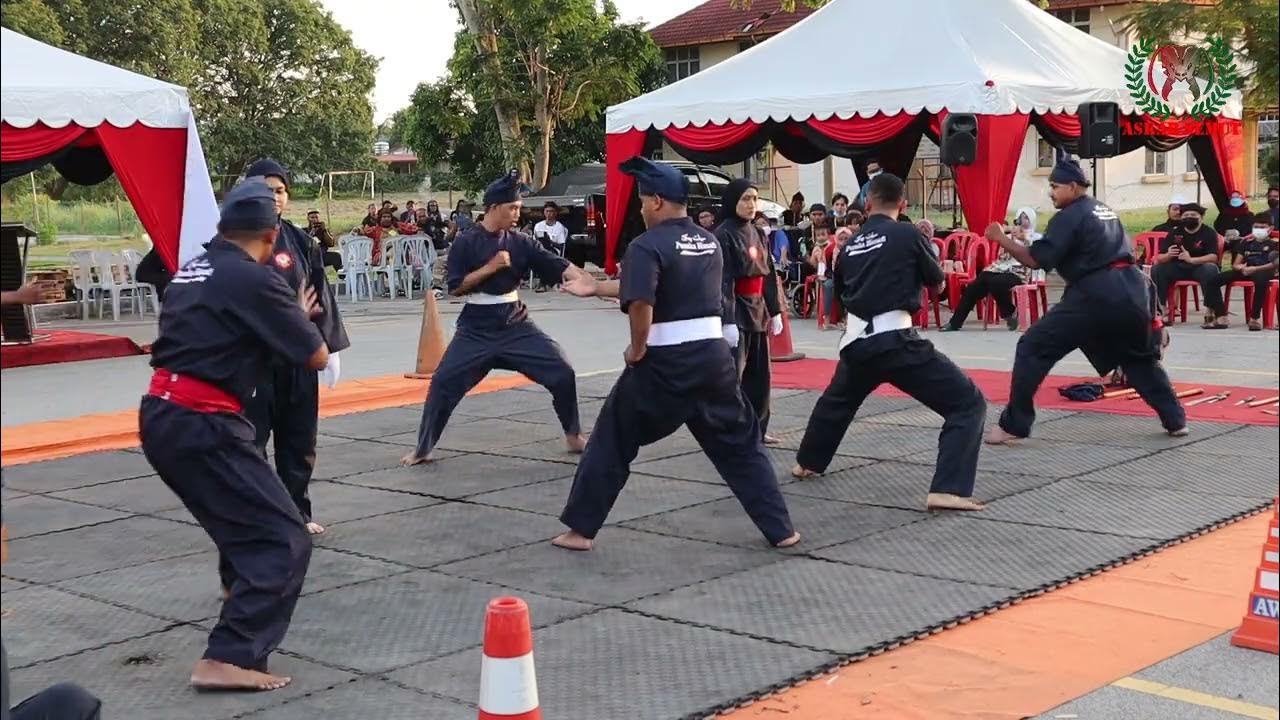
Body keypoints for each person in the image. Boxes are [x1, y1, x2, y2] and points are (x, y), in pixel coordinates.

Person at [552, 157, 800, 552]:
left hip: (665, 363)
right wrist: (598, 287)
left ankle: (580, 532)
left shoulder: (645, 245)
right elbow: (664, 286)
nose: (638, 208)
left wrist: (637, 349)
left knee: (611, 440)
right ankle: (782, 530)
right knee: (741, 445)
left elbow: (643, 302)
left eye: (640, 200)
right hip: (714, 360)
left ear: (654, 202)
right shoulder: (709, 241)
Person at [139, 180, 330, 691]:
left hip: (163, 411)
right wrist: (291, 309)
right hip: (202, 419)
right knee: (286, 538)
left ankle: (236, 601)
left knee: (240, 526)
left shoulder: (193, 269)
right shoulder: (256, 279)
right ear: (271, 237)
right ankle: (228, 655)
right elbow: (314, 355)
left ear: (223, 229)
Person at [790, 173, 986, 512]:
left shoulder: (849, 243)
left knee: (837, 403)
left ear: (867, 204)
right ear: (903, 204)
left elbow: (840, 290)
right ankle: (949, 489)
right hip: (895, 338)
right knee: (968, 403)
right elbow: (937, 285)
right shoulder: (907, 233)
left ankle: (807, 461)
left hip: (856, 341)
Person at [399, 172, 599, 466]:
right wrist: (490, 268)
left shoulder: (521, 241)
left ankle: (573, 435)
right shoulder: (466, 242)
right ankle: (423, 448)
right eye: (513, 208)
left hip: (516, 324)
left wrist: (594, 286)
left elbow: (558, 264)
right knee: (442, 383)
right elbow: (454, 288)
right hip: (475, 330)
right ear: (493, 207)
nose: (518, 214)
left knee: (562, 370)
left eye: (519, 207)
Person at [984, 158, 1186, 444]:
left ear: (1073, 186)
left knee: (1032, 347)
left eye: (1055, 186)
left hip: (1095, 293)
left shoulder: (1070, 215)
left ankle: (1014, 424)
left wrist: (1000, 238)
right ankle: (1176, 420)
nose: (1051, 192)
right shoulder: (1104, 210)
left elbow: (1035, 258)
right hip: (1131, 291)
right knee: (1135, 358)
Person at [242, 159, 349, 538]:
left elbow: (319, 292)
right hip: (252, 362)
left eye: (280, 190)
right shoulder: (230, 241)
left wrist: (329, 345)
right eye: (265, 188)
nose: (274, 196)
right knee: (250, 444)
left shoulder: (300, 241)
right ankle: (256, 518)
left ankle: (296, 512)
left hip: (298, 359)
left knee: (299, 441)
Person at [716, 179, 785, 445]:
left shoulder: (758, 232)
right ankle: (728, 429)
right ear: (733, 200)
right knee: (733, 375)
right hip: (737, 310)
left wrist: (776, 309)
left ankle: (757, 426)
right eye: (745, 198)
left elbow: (768, 274)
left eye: (754, 198)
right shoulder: (723, 234)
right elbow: (723, 279)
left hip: (758, 309)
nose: (750, 204)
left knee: (760, 375)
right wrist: (727, 319)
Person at [942, 207, 1040, 332]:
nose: (1023, 220)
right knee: (974, 285)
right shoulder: (1010, 236)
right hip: (1000, 269)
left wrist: (1023, 239)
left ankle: (1009, 314)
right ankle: (955, 323)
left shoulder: (1036, 238)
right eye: (1021, 217)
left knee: (996, 283)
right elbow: (1002, 257)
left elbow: (1034, 257)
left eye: (1026, 217)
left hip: (1019, 272)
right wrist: (1010, 240)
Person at [1149, 202, 1223, 329]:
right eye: (1186, 215)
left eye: (1193, 214)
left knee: (1210, 269)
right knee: (1158, 269)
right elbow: (1159, 258)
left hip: (1199, 266)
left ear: (1201, 217)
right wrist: (1168, 255)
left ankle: (1211, 311)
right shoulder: (1175, 232)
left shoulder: (1208, 232)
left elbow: (1213, 257)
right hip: (1178, 267)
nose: (1189, 217)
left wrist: (1191, 260)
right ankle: (1162, 309)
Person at [1209, 219, 1278, 331]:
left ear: (1270, 228)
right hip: (1246, 270)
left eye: (1262, 227)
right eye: (1256, 227)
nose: (1259, 229)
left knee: (1261, 281)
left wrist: (1255, 269)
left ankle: (1254, 318)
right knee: (1214, 280)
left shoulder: (1274, 243)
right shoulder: (1246, 242)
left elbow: (1275, 263)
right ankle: (1221, 315)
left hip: (1265, 271)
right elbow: (1236, 263)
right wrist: (1240, 267)